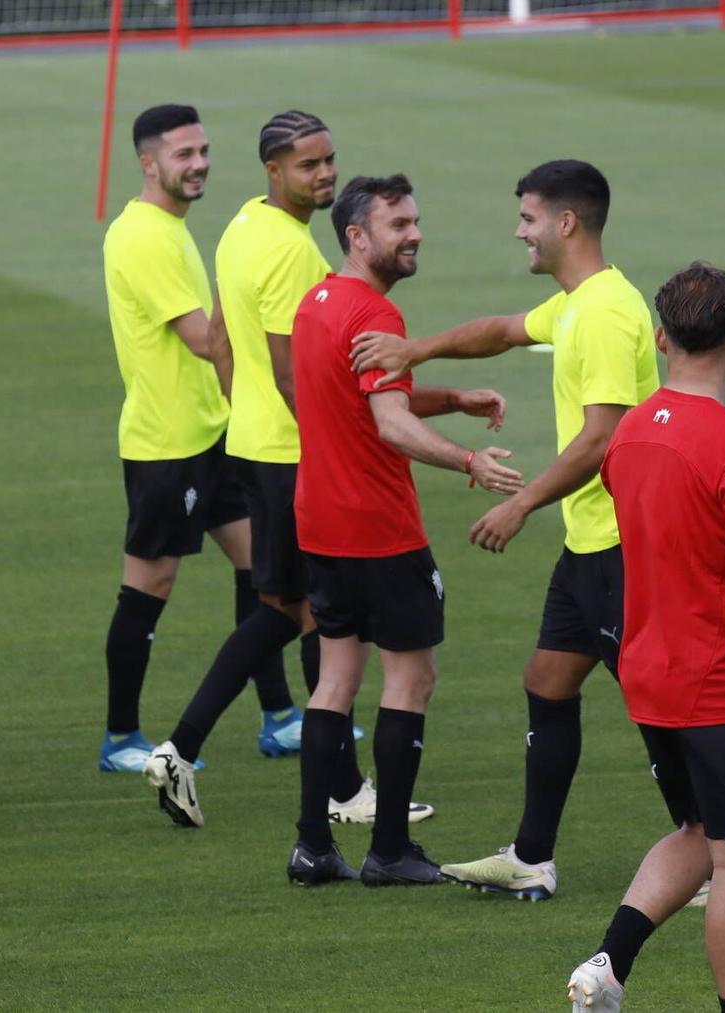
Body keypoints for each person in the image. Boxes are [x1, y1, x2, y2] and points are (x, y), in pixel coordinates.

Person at [348, 160, 659, 900]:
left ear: (565, 222)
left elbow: (601, 439)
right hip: (589, 546)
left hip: (628, 545)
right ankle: (531, 854)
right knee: (546, 681)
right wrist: (416, 349)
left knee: (659, 703)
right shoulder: (575, 304)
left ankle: (713, 850)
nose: (518, 230)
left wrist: (521, 504)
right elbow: (502, 331)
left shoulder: (610, 313)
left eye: (526, 217)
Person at [144, 112, 418, 830]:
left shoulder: (240, 225)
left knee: (294, 611)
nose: (325, 174)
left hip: (257, 445)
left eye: (329, 161)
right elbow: (299, 375)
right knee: (320, 617)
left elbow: (223, 337)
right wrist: (344, 450)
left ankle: (321, 780)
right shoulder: (296, 256)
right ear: (274, 169)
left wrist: (242, 409)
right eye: (308, 165)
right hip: (297, 454)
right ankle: (207, 752)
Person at [565, 262, 725, 1012]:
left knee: (699, 829)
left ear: (661, 337)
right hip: (720, 680)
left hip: (649, 673)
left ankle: (609, 961)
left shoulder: (628, 433)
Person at [282, 174, 520, 888]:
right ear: (358, 235)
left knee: (334, 681)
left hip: (320, 521)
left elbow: (366, 397)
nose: (414, 234)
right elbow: (387, 422)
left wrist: (449, 397)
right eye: (398, 224)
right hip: (380, 529)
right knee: (411, 678)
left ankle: (312, 846)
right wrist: (468, 460)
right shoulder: (376, 312)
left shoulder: (317, 301)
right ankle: (388, 850)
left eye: (415, 221)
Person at [98, 104, 293, 774]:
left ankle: (279, 715)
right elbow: (202, 338)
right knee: (150, 583)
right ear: (149, 163)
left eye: (204, 150)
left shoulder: (171, 227)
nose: (200, 163)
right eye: (184, 154)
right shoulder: (145, 237)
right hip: (167, 444)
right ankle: (121, 736)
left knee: (261, 567)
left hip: (213, 432)